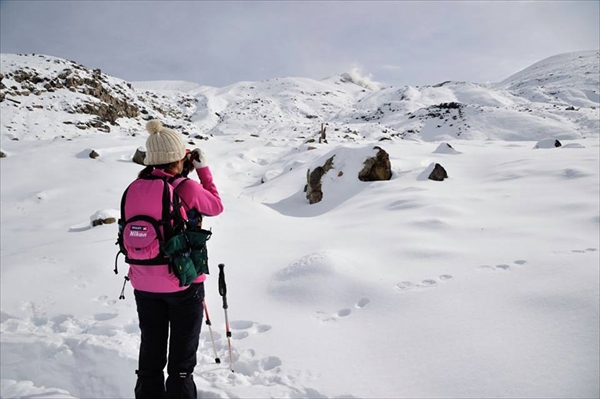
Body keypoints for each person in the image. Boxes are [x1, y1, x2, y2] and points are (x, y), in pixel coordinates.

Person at [130, 120, 223, 399]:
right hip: (183, 283)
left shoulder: (136, 186)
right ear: (179, 157)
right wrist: (203, 170)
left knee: (151, 353)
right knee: (181, 364)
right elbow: (215, 206)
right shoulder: (185, 186)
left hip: (143, 282)